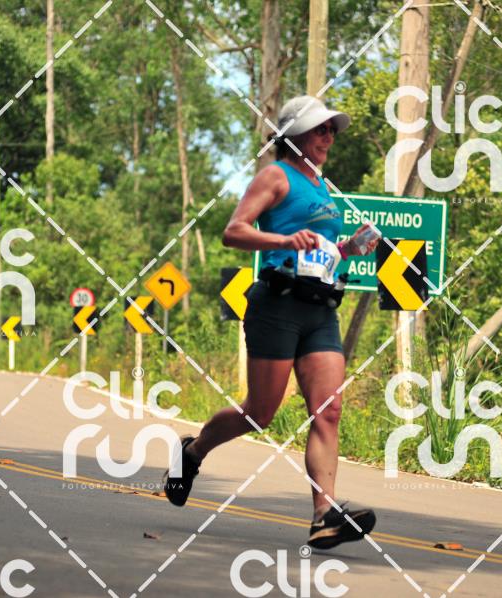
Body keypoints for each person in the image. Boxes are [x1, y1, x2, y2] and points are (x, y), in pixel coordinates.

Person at [163, 95, 381, 549]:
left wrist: (348, 249)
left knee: (328, 409)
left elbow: (317, 250)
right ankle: (193, 451)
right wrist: (283, 240)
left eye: (332, 130)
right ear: (294, 135)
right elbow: (233, 231)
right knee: (260, 413)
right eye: (321, 129)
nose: (329, 137)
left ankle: (324, 515)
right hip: (277, 305)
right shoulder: (276, 176)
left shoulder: (321, 185)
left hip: (320, 309)